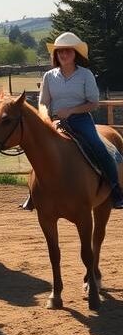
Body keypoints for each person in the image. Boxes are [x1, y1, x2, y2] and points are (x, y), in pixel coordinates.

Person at [37, 32, 123, 209]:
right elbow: (43, 102)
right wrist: (45, 118)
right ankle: (34, 192)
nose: (64, 54)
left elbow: (93, 103)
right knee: (38, 148)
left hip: (81, 119)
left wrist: (70, 111)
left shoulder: (86, 75)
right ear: (55, 54)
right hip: (54, 121)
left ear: (76, 53)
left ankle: (115, 189)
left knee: (98, 146)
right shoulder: (49, 76)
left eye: (68, 51)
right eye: (60, 51)